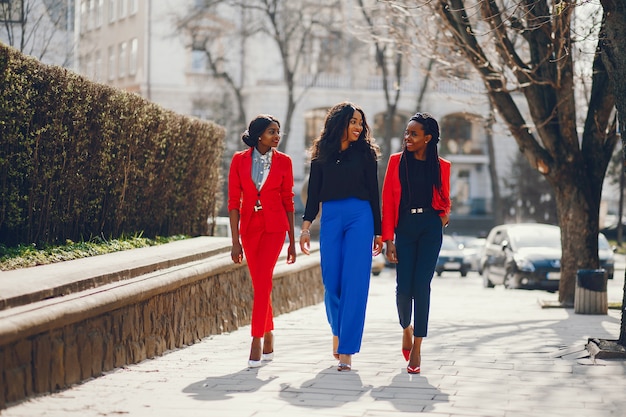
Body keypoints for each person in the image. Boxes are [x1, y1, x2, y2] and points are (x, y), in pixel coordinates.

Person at [300, 101, 383, 372]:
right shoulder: (322, 153)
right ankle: (338, 330)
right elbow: (314, 192)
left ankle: (346, 350)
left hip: (361, 216)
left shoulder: (366, 154)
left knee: (355, 283)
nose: (359, 127)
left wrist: (379, 231)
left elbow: (374, 192)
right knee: (331, 282)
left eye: (361, 122)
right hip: (332, 217)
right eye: (353, 122)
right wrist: (305, 225)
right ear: (340, 123)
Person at [381, 112, 451, 374]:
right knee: (403, 288)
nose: (407, 137)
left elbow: (445, 197)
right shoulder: (396, 162)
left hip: (430, 228)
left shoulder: (442, 166)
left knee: (422, 286)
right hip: (405, 228)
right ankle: (406, 328)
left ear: (427, 138)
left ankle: (418, 347)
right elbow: (388, 201)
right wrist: (389, 240)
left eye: (414, 134)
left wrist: (444, 215)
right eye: (407, 133)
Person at [227, 114, 297, 368]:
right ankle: (268, 331)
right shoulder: (239, 161)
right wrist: (235, 242)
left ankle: (256, 338)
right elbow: (233, 202)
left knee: (264, 279)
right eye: (271, 131)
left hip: (275, 229)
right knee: (259, 283)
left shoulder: (285, 162)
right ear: (259, 135)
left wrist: (291, 240)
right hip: (249, 229)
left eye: (278, 131)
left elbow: (288, 201)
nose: (277, 136)